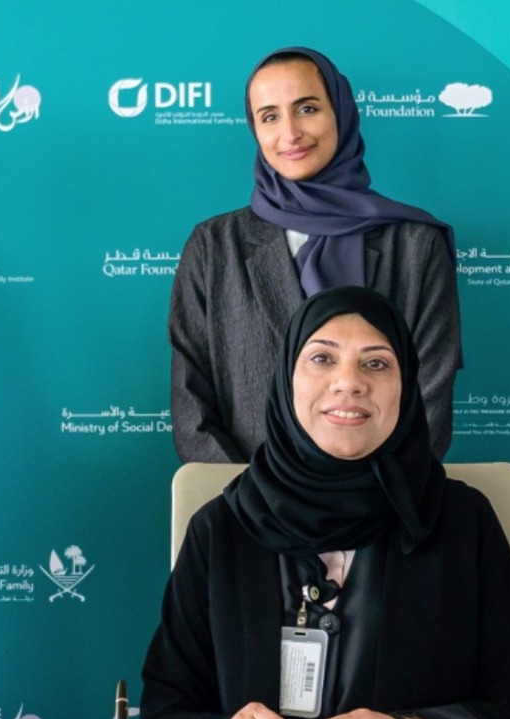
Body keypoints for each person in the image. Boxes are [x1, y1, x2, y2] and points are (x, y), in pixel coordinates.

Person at [141, 286, 510, 719]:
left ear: (407, 387)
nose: (348, 383)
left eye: (376, 363)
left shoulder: (464, 522)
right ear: (286, 379)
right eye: (321, 359)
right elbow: (163, 715)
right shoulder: (220, 529)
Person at [170, 47, 460, 464]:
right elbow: (191, 403)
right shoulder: (214, 246)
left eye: (307, 108)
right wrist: (248, 508)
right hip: (246, 513)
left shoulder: (414, 245)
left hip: (382, 511)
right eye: (269, 116)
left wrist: (369, 507)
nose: (289, 133)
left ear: (340, 113)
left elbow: (429, 396)